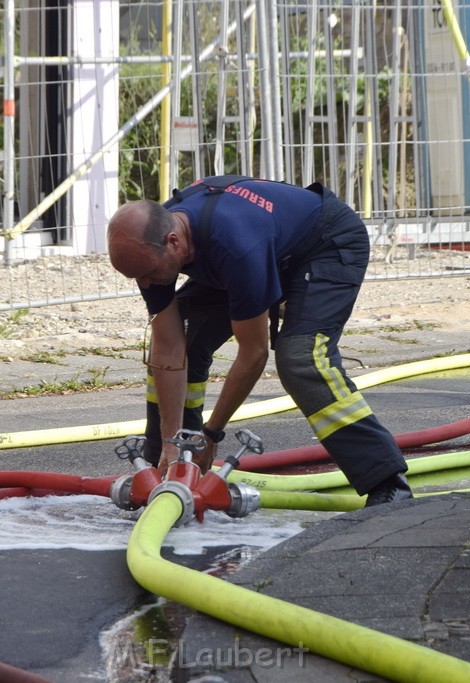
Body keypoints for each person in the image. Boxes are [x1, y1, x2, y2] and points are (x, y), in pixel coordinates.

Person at [106, 176, 411, 506]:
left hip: (323, 242)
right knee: (188, 342)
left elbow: (253, 354)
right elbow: (168, 348)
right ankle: (174, 468)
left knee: (301, 359)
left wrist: (212, 433)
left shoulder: (236, 246)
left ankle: (386, 482)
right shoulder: (149, 247)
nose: (146, 283)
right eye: (136, 277)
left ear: (174, 243)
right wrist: (169, 441)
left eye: (148, 274)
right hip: (256, 246)